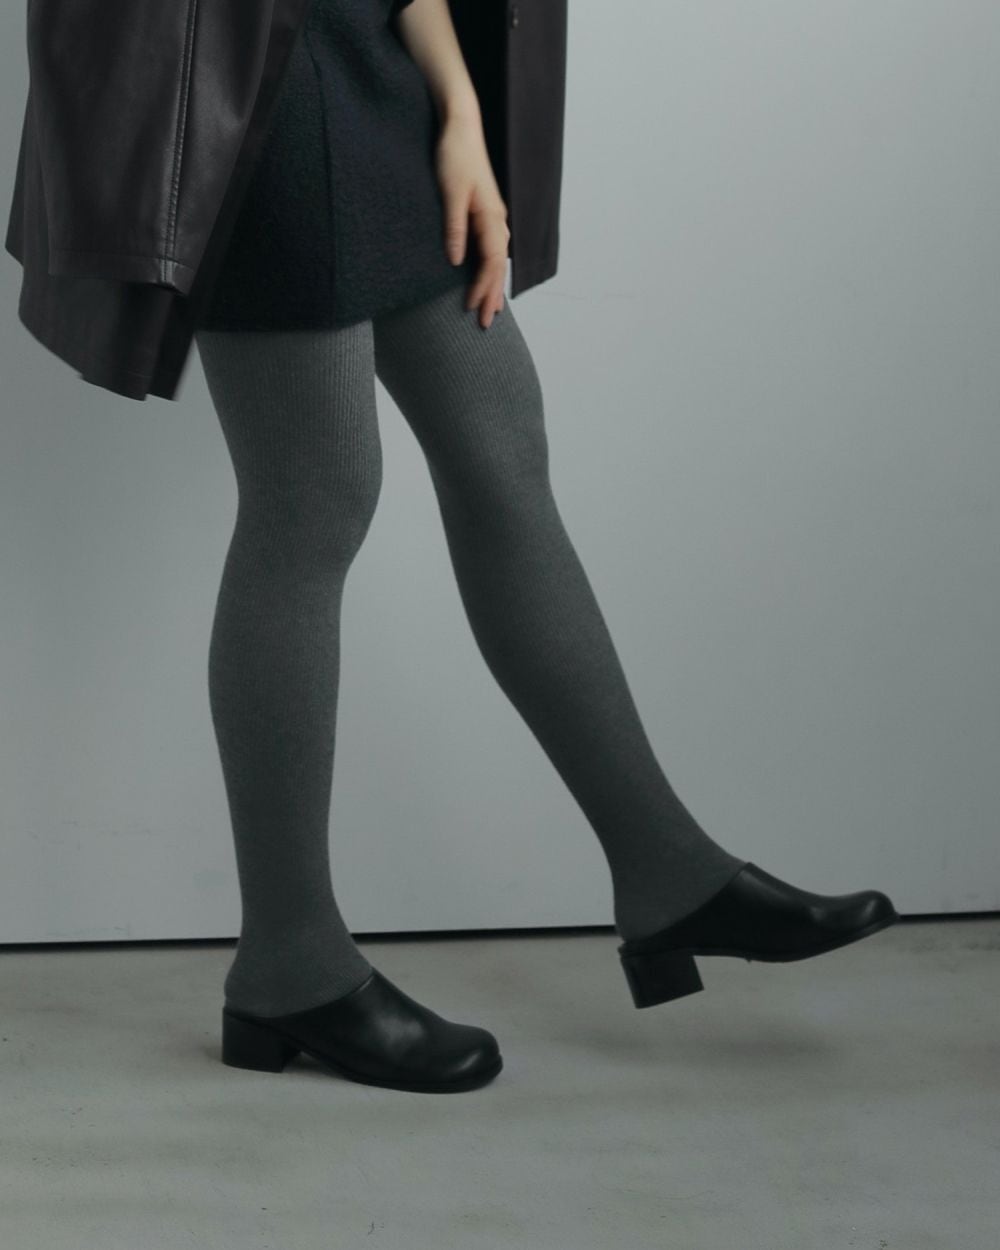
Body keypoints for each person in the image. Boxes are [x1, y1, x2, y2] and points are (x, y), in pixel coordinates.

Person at [195, 0, 897, 1095]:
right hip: (248, 81)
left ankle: (668, 873)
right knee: (313, 496)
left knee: (501, 446)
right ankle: (289, 960)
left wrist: (458, 108)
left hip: (375, 66)